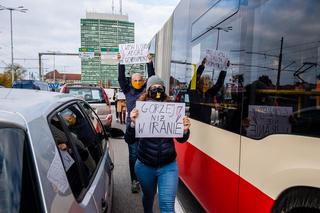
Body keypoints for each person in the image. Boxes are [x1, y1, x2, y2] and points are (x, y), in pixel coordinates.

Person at [125, 75, 191, 213]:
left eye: (159, 87)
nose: (156, 89)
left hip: (168, 166)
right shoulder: (139, 110)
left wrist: (184, 130)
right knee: (148, 197)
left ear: (164, 89)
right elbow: (129, 140)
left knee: (167, 205)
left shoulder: (172, 109)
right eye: (153, 87)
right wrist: (132, 124)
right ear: (148, 90)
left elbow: (181, 139)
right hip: (145, 166)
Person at [117, 53, 155, 193]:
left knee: (145, 153)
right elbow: (121, 78)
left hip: (146, 127)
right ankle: (134, 180)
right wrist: (121, 62)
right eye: (135, 80)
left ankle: (144, 178)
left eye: (140, 80)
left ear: (143, 81)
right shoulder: (127, 90)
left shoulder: (147, 90)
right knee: (133, 154)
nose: (138, 82)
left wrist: (149, 62)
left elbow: (151, 78)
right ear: (131, 81)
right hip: (131, 126)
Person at [188, 57, 227, 124]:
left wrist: (224, 69)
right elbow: (194, 80)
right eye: (202, 83)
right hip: (194, 123)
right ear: (199, 84)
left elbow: (219, 84)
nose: (204, 85)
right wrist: (202, 66)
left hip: (206, 125)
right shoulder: (193, 91)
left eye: (206, 84)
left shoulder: (209, 93)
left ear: (209, 86)